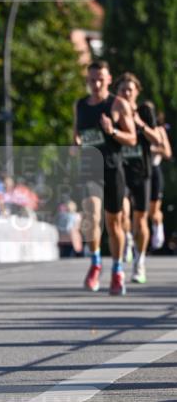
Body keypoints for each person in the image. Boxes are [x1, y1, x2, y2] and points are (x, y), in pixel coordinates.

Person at [73, 60, 136, 296]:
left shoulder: (118, 104)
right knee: (91, 214)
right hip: (90, 169)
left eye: (100, 79)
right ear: (87, 80)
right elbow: (76, 135)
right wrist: (76, 144)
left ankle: (117, 270)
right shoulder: (80, 105)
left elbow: (132, 139)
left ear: (109, 80)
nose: (96, 84)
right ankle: (96, 262)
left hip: (112, 169)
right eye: (92, 80)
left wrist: (113, 131)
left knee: (114, 223)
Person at [115, 74, 163, 284]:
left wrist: (140, 124)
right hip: (120, 171)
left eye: (130, 90)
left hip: (142, 171)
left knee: (141, 219)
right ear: (117, 92)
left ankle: (139, 261)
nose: (126, 93)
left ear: (137, 92)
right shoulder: (112, 111)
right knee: (122, 212)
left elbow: (157, 139)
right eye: (123, 90)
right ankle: (127, 239)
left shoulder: (144, 111)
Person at [149, 109, 172, 251]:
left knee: (154, 210)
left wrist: (152, 150)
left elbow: (168, 153)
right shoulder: (136, 128)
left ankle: (157, 225)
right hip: (139, 171)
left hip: (154, 169)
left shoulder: (159, 130)